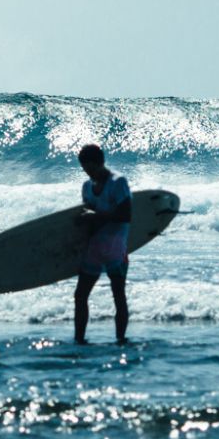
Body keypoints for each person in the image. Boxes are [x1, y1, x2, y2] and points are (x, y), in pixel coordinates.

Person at [73, 143, 130, 345]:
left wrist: (94, 216)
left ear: (100, 163)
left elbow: (126, 214)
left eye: (90, 167)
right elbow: (89, 221)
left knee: (118, 295)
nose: (87, 172)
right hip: (95, 248)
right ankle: (79, 340)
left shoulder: (118, 182)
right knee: (80, 295)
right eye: (84, 168)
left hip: (116, 247)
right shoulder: (87, 187)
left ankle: (120, 339)